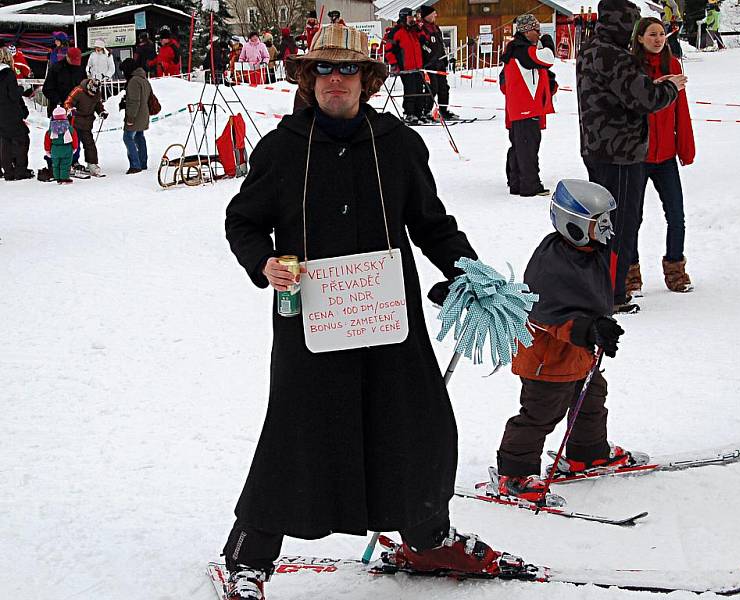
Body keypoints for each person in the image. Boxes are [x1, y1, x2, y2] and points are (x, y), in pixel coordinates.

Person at [222, 23, 504, 600]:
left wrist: (467, 270)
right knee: (297, 431)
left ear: (366, 80)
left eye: (347, 69)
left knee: (412, 424)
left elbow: (429, 222)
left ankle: (428, 537)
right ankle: (248, 557)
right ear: (307, 79)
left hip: (388, 318)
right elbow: (243, 221)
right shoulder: (281, 148)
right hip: (311, 322)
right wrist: (265, 262)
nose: (335, 80)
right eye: (322, 70)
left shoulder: (397, 143)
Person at [495, 179, 644, 501]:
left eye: (607, 219)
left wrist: (600, 326)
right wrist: (588, 329)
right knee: (540, 414)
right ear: (574, 223)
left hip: (577, 354)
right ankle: (515, 473)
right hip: (546, 359)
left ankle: (587, 452)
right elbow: (547, 316)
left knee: (591, 400)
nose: (607, 228)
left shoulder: (589, 251)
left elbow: (593, 297)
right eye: (599, 221)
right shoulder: (551, 263)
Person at [576, 0, 684, 313]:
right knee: (621, 225)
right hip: (620, 152)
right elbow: (643, 98)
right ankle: (613, 293)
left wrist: (651, 86)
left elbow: (622, 92)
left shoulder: (591, 49)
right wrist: (670, 89)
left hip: (598, 148)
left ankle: (606, 286)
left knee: (605, 222)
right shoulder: (614, 55)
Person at [627, 17, 695, 295]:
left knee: (676, 215)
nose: (658, 39)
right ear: (640, 38)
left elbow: (682, 108)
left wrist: (685, 147)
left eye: (662, 34)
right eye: (652, 34)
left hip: (665, 155)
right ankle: (630, 275)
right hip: (637, 155)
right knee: (633, 217)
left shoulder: (674, 65)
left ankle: (676, 270)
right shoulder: (630, 68)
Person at [500, 14, 558, 198]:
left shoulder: (516, 51)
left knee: (519, 147)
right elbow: (548, 58)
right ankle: (530, 185)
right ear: (526, 31)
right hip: (526, 108)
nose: (539, 34)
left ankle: (517, 182)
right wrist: (549, 42)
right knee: (528, 147)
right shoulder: (522, 50)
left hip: (519, 108)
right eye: (537, 30)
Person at [64, 78, 108, 177]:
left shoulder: (97, 93)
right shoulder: (78, 90)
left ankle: (92, 164)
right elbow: (68, 102)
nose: (92, 94)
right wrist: (70, 109)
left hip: (87, 123)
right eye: (90, 92)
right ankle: (72, 163)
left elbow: (98, 105)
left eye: (94, 92)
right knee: (75, 145)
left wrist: (102, 112)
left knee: (90, 144)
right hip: (75, 122)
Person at [389, 7, 426, 124]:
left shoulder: (413, 31)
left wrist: (419, 28)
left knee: (420, 90)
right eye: (410, 17)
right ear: (404, 17)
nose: (412, 19)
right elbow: (388, 49)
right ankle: (409, 113)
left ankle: (419, 113)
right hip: (405, 67)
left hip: (417, 66)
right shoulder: (396, 31)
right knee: (411, 90)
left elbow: (424, 40)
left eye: (413, 17)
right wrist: (394, 64)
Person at [0, 47, 32, 181]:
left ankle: (8, 171)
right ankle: (20, 171)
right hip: (11, 112)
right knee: (22, 140)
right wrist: (21, 88)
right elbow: (13, 95)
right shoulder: (8, 73)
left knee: (5, 142)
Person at [419, 6, 455, 120]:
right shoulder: (422, 29)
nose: (435, 15)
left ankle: (443, 110)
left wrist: (444, 57)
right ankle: (426, 111)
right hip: (429, 64)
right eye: (433, 13)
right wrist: (431, 56)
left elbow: (440, 44)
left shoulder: (436, 28)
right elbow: (422, 45)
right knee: (432, 88)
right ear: (427, 15)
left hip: (439, 64)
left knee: (444, 88)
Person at [119, 58, 151, 174]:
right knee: (139, 137)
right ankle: (143, 163)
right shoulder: (143, 79)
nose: (123, 74)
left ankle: (135, 165)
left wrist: (130, 118)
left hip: (135, 115)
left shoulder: (133, 81)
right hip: (144, 114)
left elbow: (134, 101)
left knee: (127, 138)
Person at [43, 46, 86, 117]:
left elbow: (84, 87)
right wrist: (59, 101)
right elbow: (47, 89)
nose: (75, 64)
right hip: (59, 111)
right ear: (67, 56)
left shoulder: (80, 69)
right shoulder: (56, 68)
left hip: (76, 110)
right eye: (73, 61)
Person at [44, 106, 78, 184]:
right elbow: (74, 138)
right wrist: (75, 147)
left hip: (55, 149)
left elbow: (47, 140)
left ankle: (58, 178)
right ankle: (65, 178)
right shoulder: (69, 128)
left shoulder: (51, 129)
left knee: (56, 164)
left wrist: (47, 150)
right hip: (67, 148)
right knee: (65, 164)